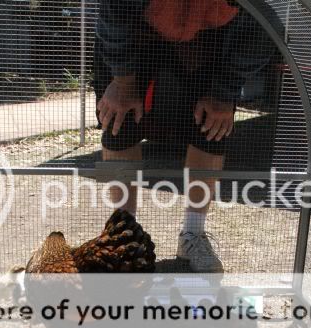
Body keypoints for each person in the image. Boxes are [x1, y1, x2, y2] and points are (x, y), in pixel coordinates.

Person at [94, 0, 275, 272]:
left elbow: (263, 27)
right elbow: (114, 11)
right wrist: (122, 80)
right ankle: (123, 236)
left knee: (212, 126)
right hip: (133, 35)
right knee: (119, 121)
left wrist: (225, 93)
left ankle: (193, 234)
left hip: (209, 41)